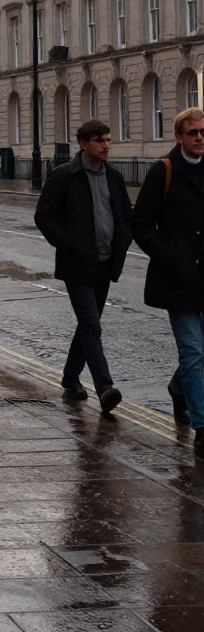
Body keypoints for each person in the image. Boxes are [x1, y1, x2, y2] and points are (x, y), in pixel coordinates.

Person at [34, 119, 132, 413]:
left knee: (87, 325)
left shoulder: (113, 177)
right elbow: (44, 216)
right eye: (100, 141)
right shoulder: (65, 176)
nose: (106, 146)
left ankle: (70, 376)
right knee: (92, 324)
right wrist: (69, 244)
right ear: (83, 144)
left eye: (107, 140)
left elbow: (125, 216)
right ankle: (105, 387)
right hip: (77, 265)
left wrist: (121, 244)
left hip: (104, 264)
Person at [132, 107, 204, 458]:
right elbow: (141, 224)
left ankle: (179, 389)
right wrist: (170, 257)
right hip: (179, 279)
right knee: (193, 352)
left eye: (203, 132)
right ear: (179, 136)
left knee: (201, 354)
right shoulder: (164, 170)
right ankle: (203, 429)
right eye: (193, 133)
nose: (200, 138)